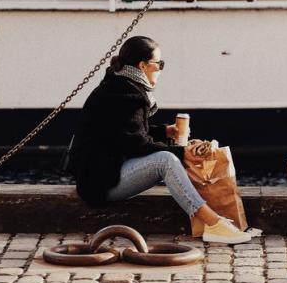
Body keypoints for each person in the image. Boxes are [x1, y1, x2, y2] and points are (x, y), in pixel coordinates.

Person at [67, 35, 250, 245]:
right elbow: (137, 145)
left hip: (100, 174)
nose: (161, 70)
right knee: (166, 161)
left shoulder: (119, 84)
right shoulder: (128, 95)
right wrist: (182, 153)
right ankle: (213, 223)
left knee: (167, 157)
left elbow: (123, 131)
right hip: (100, 184)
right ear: (142, 65)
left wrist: (165, 132)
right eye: (159, 64)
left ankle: (214, 222)